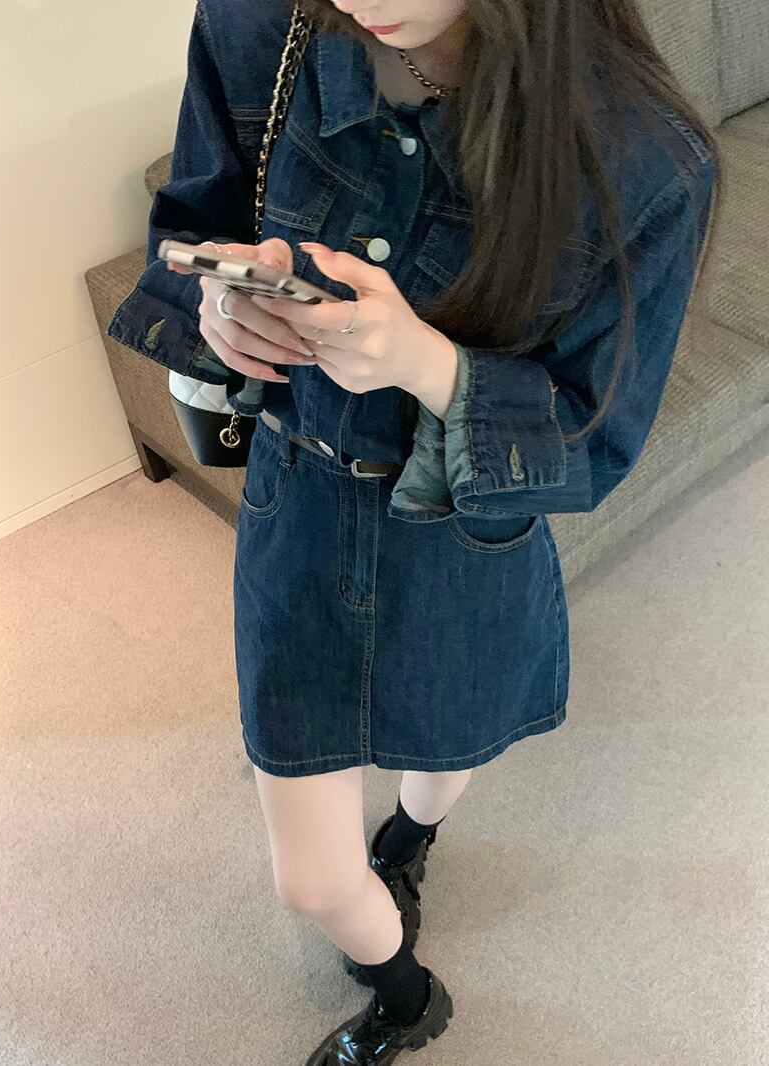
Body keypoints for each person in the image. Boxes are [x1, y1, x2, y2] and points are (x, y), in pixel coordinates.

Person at [107, 0, 721, 1060]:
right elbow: (189, 229)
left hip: (459, 538)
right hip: (297, 508)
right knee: (312, 878)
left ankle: (412, 835)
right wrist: (216, 308)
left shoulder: (644, 161)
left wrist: (424, 363)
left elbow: (596, 439)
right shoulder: (259, 28)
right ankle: (405, 998)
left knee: (444, 748)